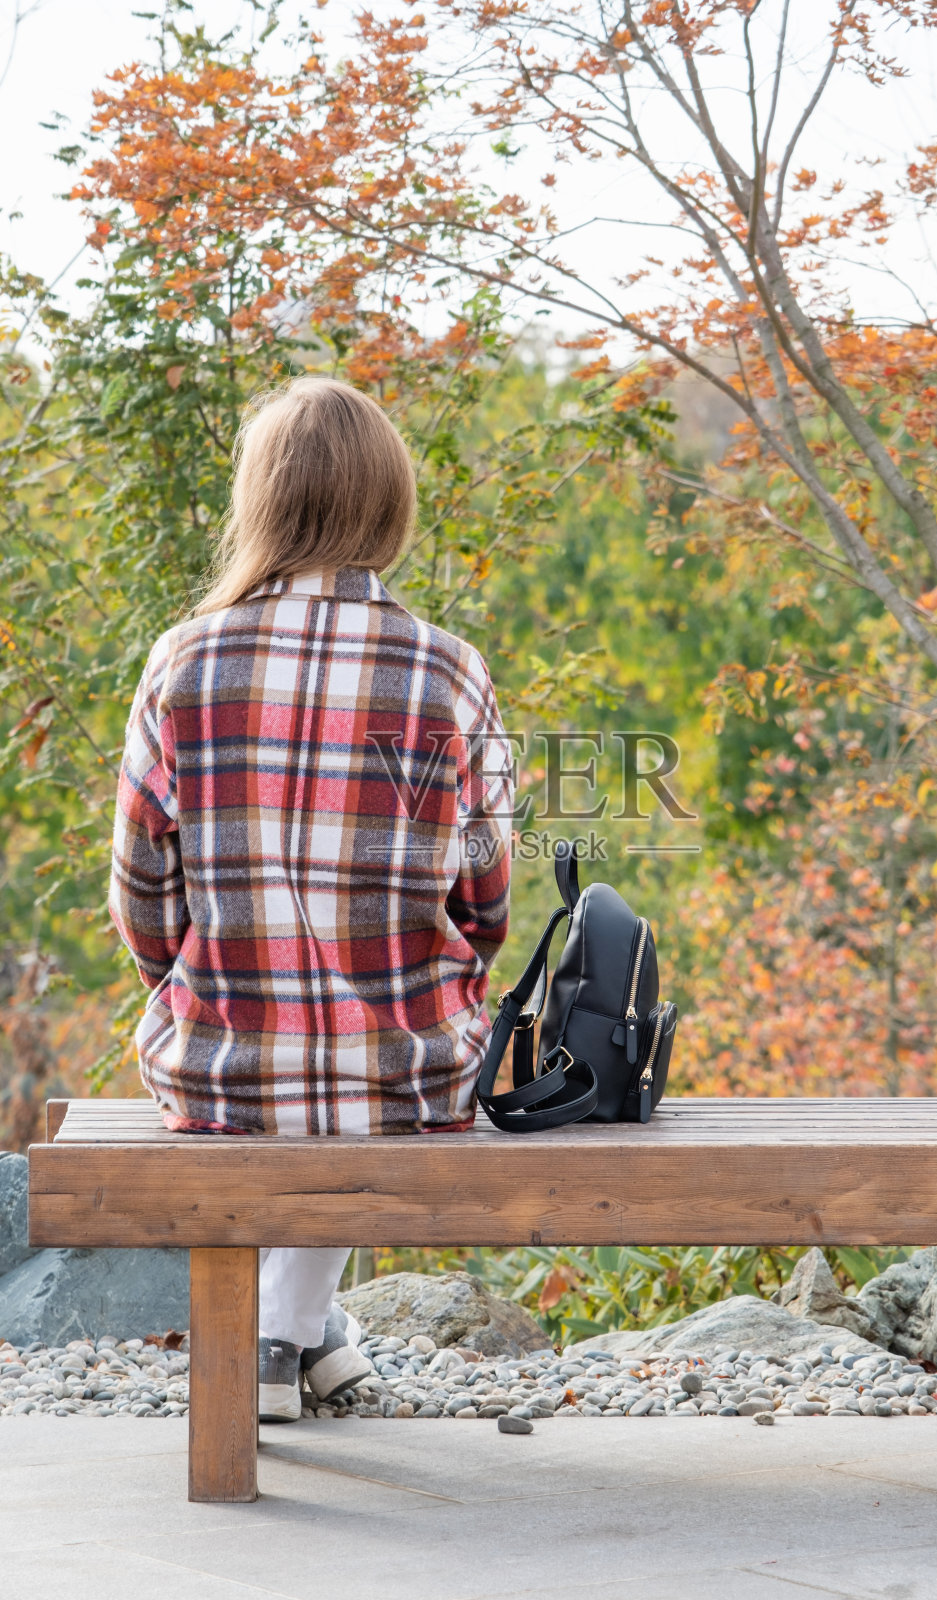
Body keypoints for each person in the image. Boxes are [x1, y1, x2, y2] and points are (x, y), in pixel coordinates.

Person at [108, 376, 512, 1421]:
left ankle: (281, 1341)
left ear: (262, 502)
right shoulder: (449, 671)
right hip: (408, 1073)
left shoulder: (181, 660)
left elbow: (142, 887)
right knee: (350, 1054)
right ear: (387, 503)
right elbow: (487, 894)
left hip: (220, 1071)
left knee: (295, 1054)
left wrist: (207, 976)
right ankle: (294, 1335)